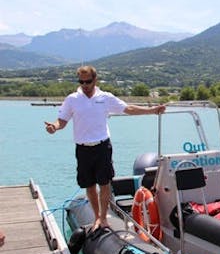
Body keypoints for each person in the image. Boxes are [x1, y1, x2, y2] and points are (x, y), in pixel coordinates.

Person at [45, 65, 166, 231]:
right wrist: (54, 127)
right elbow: (62, 120)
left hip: (102, 146)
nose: (85, 85)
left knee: (104, 183)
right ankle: (96, 217)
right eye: (81, 82)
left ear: (95, 80)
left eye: (88, 81)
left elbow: (128, 109)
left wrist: (152, 110)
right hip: (83, 148)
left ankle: (103, 218)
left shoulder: (105, 97)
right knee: (89, 185)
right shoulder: (72, 99)